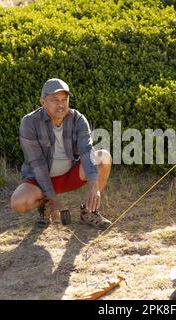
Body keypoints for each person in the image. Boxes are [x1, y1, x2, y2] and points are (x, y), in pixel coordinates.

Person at [10, 78, 112, 230]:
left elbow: (86, 150)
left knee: (103, 157)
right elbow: (37, 165)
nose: (61, 104)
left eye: (65, 99)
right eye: (55, 100)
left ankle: (89, 212)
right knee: (18, 203)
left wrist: (93, 183)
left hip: (69, 174)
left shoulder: (78, 119)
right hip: (40, 179)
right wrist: (53, 198)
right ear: (42, 101)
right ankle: (44, 203)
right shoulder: (29, 123)